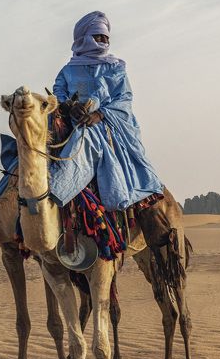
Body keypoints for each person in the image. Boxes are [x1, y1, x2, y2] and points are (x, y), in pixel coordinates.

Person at [48, 11, 165, 213]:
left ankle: (56, 190)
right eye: (98, 36)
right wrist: (68, 105)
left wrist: (99, 115)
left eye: (105, 37)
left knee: (87, 136)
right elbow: (58, 92)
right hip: (70, 119)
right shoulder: (68, 70)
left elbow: (124, 98)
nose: (103, 41)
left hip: (106, 123)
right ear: (84, 38)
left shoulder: (115, 67)